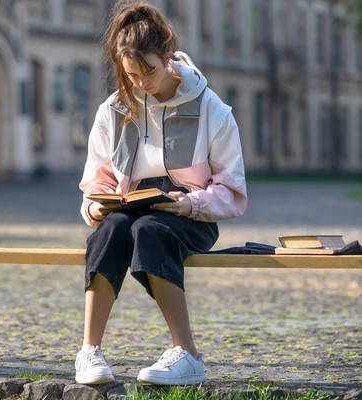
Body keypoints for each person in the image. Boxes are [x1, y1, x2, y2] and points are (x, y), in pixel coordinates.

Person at [75, 0, 248, 386]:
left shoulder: (212, 109)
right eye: (131, 74)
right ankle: (90, 350)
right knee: (111, 230)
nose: (141, 83)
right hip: (130, 206)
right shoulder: (115, 109)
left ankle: (187, 353)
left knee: (148, 230)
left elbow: (232, 190)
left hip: (190, 217)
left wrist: (188, 203)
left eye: (149, 71)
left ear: (168, 56)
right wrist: (96, 205)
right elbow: (98, 176)